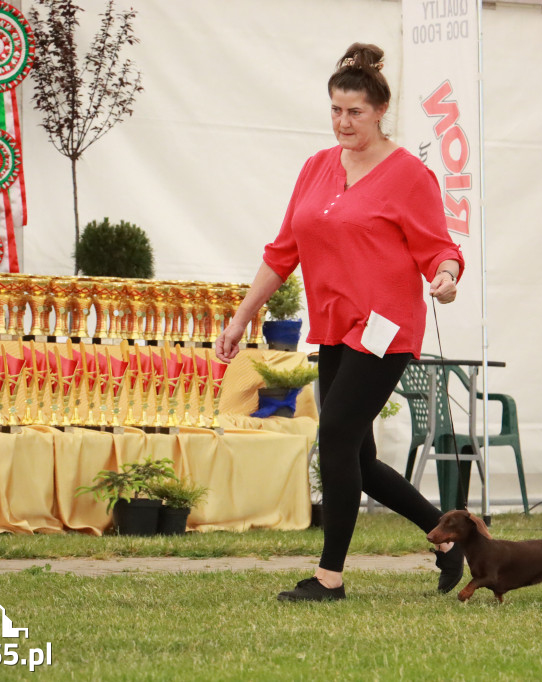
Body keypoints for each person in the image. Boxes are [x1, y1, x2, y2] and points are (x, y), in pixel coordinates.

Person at [215, 42, 465, 602]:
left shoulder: (409, 175)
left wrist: (446, 276)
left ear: (380, 111)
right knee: (357, 457)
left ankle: (329, 578)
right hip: (334, 327)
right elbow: (283, 252)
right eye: (335, 110)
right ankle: (451, 543)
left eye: (355, 111)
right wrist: (240, 319)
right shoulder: (316, 168)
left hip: (386, 328)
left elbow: (438, 247)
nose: (343, 122)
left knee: (334, 439)